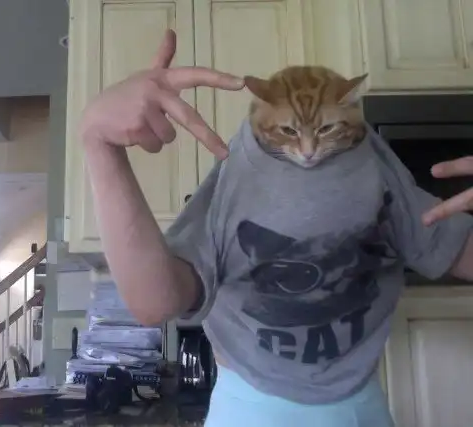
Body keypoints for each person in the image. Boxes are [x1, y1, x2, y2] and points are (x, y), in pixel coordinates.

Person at [78, 30, 473, 426]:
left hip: (361, 404)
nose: (308, 151)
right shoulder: (237, 175)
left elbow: (456, 251)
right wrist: (98, 141)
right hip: (251, 406)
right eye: (290, 132)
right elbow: (154, 303)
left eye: (324, 131)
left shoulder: (372, 158)